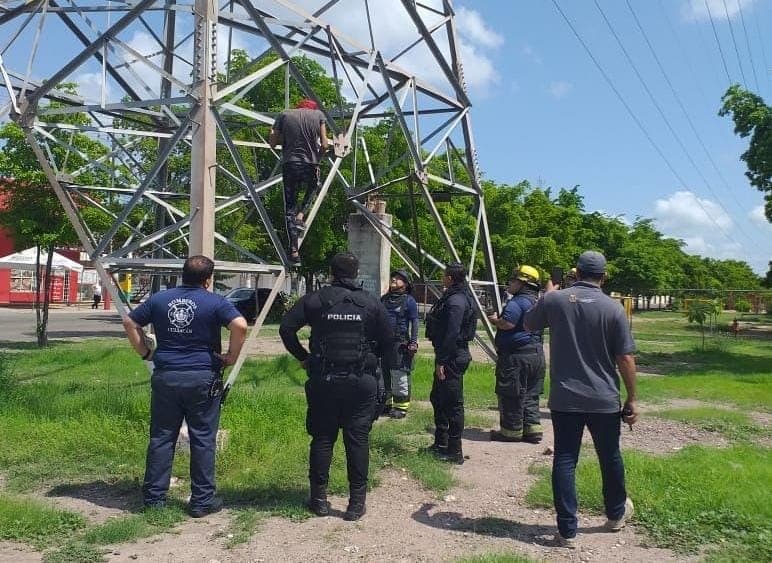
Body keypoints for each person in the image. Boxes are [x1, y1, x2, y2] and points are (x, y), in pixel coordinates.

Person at [524, 251, 638, 548]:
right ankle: (615, 514)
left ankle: (567, 531)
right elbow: (625, 357)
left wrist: (548, 295)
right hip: (604, 398)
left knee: (565, 458)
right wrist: (632, 398)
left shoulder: (556, 300)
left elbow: (528, 324)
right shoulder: (614, 309)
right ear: (604, 276)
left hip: (566, 398)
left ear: (576, 272)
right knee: (609, 456)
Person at [122, 255, 247, 517]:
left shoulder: (160, 299)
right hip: (202, 376)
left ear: (183, 274)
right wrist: (232, 357)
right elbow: (240, 325)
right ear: (208, 279)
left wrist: (145, 352)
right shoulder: (215, 302)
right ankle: (201, 501)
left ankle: (154, 500)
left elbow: (130, 322)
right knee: (202, 438)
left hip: (167, 375)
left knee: (161, 436)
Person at [279, 252, 393, 521]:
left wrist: (303, 357)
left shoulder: (316, 300)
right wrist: (382, 376)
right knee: (358, 439)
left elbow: (286, 328)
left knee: (322, 438)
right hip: (360, 381)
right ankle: (356, 504)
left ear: (331, 272)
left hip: (324, 379)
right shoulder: (371, 303)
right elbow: (389, 343)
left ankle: (318, 500)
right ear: (356, 273)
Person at [425, 262, 476, 465]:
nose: (441, 278)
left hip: (453, 356)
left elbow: (452, 333)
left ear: (450, 278)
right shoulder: (454, 296)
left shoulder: (457, 301)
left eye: (444, 275)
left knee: (453, 403)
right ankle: (441, 442)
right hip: (449, 354)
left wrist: (442, 361)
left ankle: (455, 451)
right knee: (438, 398)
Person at [488, 265, 546, 443]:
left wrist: (495, 320)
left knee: (511, 394)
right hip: (536, 354)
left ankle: (510, 432)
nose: (509, 284)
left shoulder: (517, 302)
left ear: (523, 283)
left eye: (513, 280)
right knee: (531, 394)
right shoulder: (538, 302)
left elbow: (508, 323)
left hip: (517, 357)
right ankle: (532, 430)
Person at [269, 99, 328, 264]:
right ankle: (301, 214)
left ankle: (294, 251)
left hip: (290, 164)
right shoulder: (318, 115)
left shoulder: (284, 114)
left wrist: (277, 136)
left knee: (290, 208)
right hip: (310, 164)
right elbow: (324, 144)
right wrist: (317, 160)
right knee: (314, 186)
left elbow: (272, 143)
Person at [380, 269, 419, 419]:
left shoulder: (409, 301)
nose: (394, 279)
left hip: (400, 344)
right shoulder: (384, 299)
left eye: (398, 278)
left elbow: (415, 323)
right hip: (384, 343)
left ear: (406, 284)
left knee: (399, 374)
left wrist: (413, 342)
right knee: (383, 373)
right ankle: (386, 403)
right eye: (393, 277)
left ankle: (401, 407)